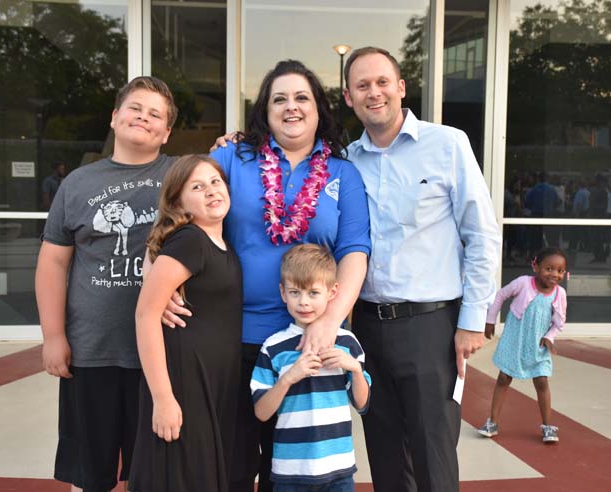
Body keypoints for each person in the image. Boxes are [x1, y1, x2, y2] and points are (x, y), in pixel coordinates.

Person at [164, 60, 370, 492]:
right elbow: (174, 212)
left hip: (307, 342)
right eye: (280, 98)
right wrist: (159, 283)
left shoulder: (342, 173)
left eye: (301, 98)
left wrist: (330, 322)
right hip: (227, 337)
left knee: (295, 468)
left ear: (319, 110)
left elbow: (355, 251)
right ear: (264, 109)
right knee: (232, 464)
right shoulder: (231, 157)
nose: (291, 107)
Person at [342, 47, 501, 491]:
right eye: (362, 85)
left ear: (401, 88)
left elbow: (482, 236)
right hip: (368, 327)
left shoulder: (448, 144)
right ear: (349, 97)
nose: (374, 93)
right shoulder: (346, 160)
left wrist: (473, 321)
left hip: (432, 327)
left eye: (382, 82)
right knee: (385, 456)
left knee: (434, 456)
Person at [35, 76, 177, 492]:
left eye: (156, 115)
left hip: (160, 354)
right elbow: (53, 263)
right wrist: (53, 335)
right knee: (90, 471)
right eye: (135, 108)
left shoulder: (180, 176)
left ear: (166, 133)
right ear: (115, 117)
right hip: (91, 351)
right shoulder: (78, 183)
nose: (143, 118)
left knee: (155, 471)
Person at [129, 155, 242, 491]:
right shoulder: (190, 240)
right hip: (183, 383)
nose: (210, 190)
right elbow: (146, 314)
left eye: (215, 181)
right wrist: (163, 398)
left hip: (213, 383)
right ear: (178, 201)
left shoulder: (220, 242)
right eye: (197, 186)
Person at [250, 244, 371, 491]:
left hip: (339, 470)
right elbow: (261, 412)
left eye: (313, 293)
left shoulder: (347, 342)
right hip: (290, 472)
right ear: (283, 293)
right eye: (295, 292)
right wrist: (288, 379)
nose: (303, 302)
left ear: (333, 291)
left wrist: (355, 370)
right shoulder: (274, 347)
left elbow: (362, 403)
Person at [478, 247, 568, 443]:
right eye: (549, 269)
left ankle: (547, 426)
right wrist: (490, 319)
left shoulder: (559, 294)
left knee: (542, 382)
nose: (554, 274)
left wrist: (550, 337)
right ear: (535, 266)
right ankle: (492, 422)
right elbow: (500, 295)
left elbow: (559, 322)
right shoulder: (523, 283)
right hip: (515, 340)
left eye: (560, 270)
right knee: (503, 378)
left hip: (537, 345)